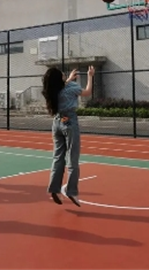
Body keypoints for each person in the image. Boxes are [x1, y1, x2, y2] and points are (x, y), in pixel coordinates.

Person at [42, 66, 94, 207]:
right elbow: (87, 92)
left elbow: (62, 85)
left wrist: (69, 78)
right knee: (73, 156)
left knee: (58, 157)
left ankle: (54, 188)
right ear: (60, 78)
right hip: (69, 120)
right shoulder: (70, 88)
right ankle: (72, 191)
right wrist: (90, 76)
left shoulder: (52, 90)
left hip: (57, 122)